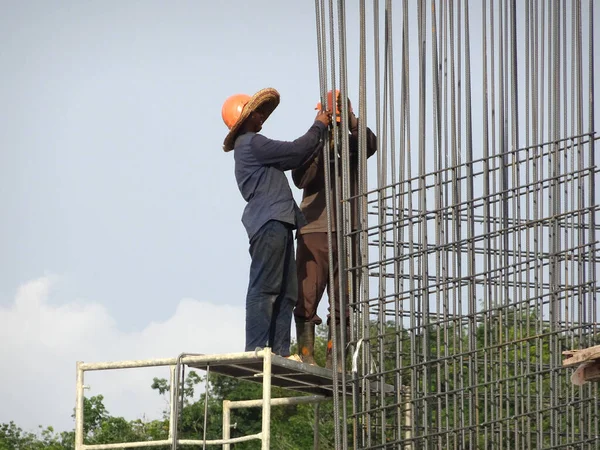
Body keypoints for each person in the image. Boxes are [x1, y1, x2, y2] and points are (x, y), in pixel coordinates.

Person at [221, 87, 332, 358]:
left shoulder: (252, 147)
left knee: (286, 292)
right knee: (266, 286)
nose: (261, 116)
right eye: (255, 112)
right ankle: (257, 350)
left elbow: (298, 154)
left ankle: (278, 352)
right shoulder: (251, 143)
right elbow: (296, 152)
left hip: (279, 221)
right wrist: (319, 125)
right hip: (269, 221)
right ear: (244, 119)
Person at [292, 90, 377, 369]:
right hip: (314, 231)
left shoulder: (353, 147)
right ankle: (306, 355)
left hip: (347, 232)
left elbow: (370, 143)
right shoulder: (311, 145)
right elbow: (301, 176)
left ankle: (336, 361)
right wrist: (321, 139)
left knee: (344, 301)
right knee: (306, 298)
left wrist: (350, 121)